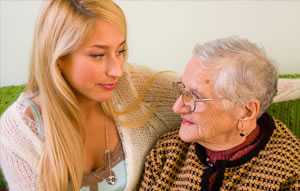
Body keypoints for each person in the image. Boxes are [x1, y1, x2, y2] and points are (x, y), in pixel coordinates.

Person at [0, 0, 180, 191]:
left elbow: (205, 97)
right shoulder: (18, 134)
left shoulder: (133, 85)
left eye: (120, 51)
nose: (117, 70)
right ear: (58, 59)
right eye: (97, 55)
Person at [139, 37, 300, 191]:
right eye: (182, 89)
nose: (177, 107)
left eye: (195, 96)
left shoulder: (290, 175)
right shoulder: (166, 153)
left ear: (246, 112)